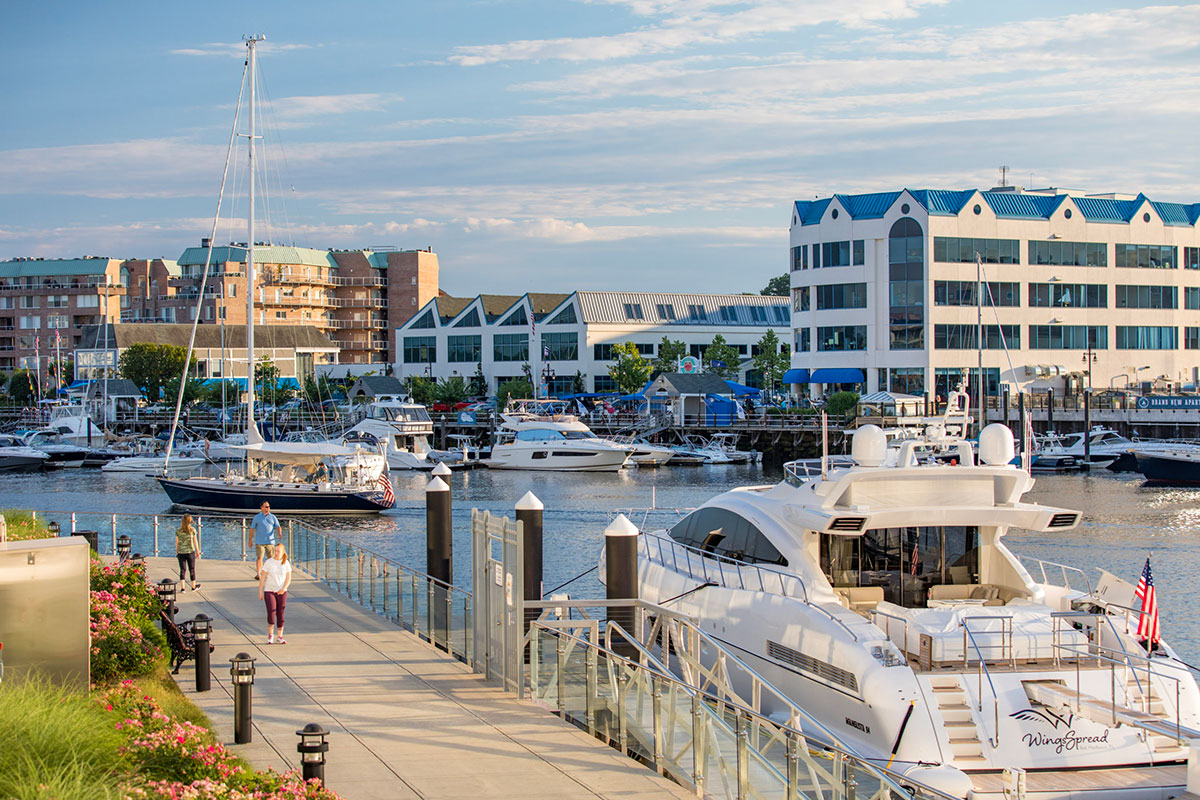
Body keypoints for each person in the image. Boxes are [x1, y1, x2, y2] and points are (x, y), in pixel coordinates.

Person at [258, 542, 292, 644]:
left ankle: (280, 636)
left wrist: (284, 588)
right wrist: (260, 591)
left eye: (278, 551)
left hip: (281, 591)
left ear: (283, 552)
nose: (276, 553)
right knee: (271, 612)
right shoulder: (269, 562)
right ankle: (270, 634)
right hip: (269, 590)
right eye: (275, 551)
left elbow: (288, 578)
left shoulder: (285, 563)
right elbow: (263, 577)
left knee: (280, 613)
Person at [249, 501, 281, 579]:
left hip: (270, 541)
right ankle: (258, 574)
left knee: (271, 558)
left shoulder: (272, 517)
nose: (268, 508)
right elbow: (252, 529)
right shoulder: (257, 517)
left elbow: (278, 526)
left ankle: (270, 573)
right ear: (261, 508)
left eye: (269, 507)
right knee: (260, 557)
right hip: (260, 542)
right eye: (266, 507)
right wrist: (250, 540)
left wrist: (279, 533)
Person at [175, 514, 200, 591]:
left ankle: (183, 588)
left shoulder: (178, 531)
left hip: (181, 552)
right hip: (190, 551)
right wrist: (197, 551)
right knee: (191, 569)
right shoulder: (192, 530)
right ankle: (193, 586)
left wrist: (177, 550)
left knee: (182, 569)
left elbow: (177, 542)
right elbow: (195, 541)